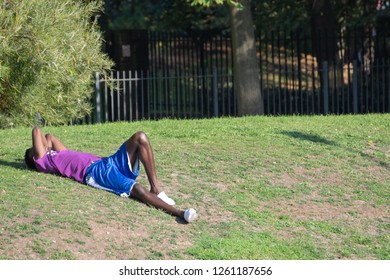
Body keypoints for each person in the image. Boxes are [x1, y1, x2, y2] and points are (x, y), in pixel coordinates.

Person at [24, 126, 197, 223]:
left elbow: (50, 137)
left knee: (140, 137)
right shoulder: (43, 161)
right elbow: (37, 131)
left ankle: (156, 190)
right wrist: (39, 149)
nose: (39, 147)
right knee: (136, 189)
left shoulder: (57, 154)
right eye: (34, 150)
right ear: (34, 157)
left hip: (105, 162)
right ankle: (180, 213)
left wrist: (46, 145)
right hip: (95, 173)